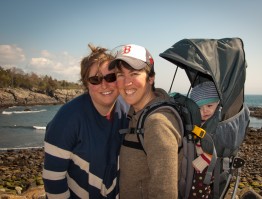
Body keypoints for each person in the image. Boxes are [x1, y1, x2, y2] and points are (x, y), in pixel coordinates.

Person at [42, 44, 129, 198]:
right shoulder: (67, 119)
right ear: (86, 83)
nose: (105, 85)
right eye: (95, 79)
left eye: (111, 77)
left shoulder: (126, 111)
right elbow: (53, 179)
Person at [109, 44, 183, 199]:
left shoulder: (157, 123)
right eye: (120, 75)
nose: (126, 82)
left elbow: (165, 193)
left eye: (134, 73)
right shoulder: (136, 114)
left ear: (151, 78)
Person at [189, 81, 220, 198]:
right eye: (199, 108)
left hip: (206, 163)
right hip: (195, 158)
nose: (204, 111)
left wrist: (203, 160)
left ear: (218, 104)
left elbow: (219, 146)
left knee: (199, 190)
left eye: (209, 106)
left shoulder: (217, 123)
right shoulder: (200, 121)